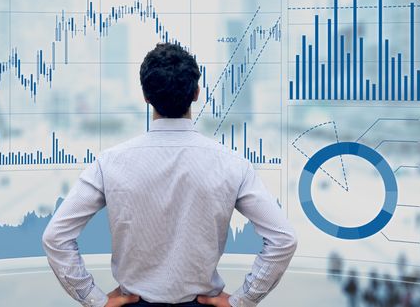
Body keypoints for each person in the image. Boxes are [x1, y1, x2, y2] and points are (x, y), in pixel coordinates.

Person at [43, 43, 297, 307]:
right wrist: (242, 300)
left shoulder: (109, 163)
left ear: (146, 96)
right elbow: (283, 239)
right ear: (197, 93)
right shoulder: (232, 164)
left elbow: (55, 237)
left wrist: (93, 299)